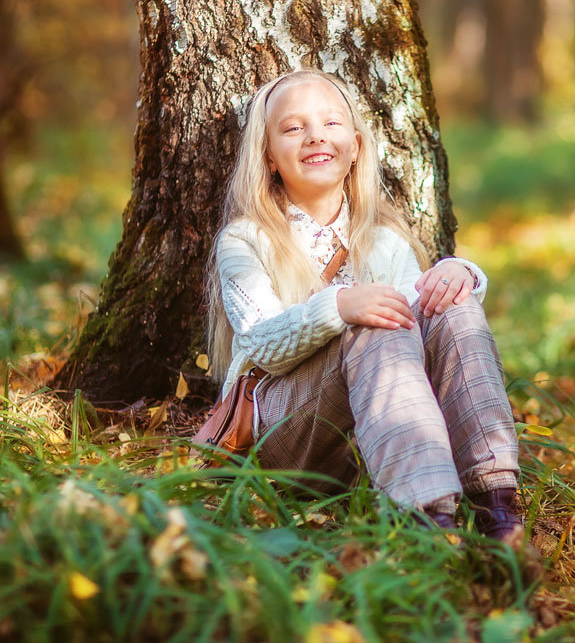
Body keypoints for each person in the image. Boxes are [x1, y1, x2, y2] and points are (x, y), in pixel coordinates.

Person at [205, 68, 523, 541]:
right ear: (269, 157)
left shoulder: (383, 242)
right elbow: (262, 343)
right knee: (375, 323)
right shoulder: (245, 241)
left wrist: (460, 276)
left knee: (449, 306)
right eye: (294, 128)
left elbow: (425, 314)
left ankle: (496, 503)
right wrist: (340, 306)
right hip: (287, 435)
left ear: (354, 147)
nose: (315, 137)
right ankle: (425, 520)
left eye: (331, 124)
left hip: (370, 442)